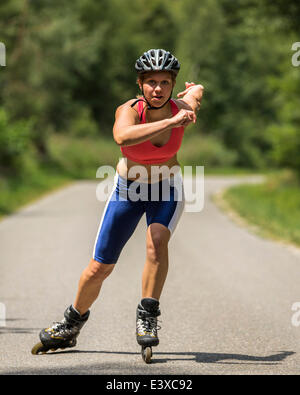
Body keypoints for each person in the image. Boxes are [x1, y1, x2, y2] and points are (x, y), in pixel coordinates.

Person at [31, 49, 204, 360]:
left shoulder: (181, 108)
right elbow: (122, 138)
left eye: (166, 82)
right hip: (128, 190)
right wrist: (174, 121)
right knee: (100, 266)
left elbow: (195, 94)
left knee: (156, 243)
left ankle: (147, 314)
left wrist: (193, 91)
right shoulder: (128, 110)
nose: (159, 89)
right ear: (139, 84)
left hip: (167, 189)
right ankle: (71, 322)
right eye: (151, 82)